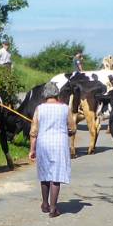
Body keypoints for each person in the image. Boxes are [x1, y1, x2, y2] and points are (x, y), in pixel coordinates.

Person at [28, 84, 76, 217]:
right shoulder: (65, 109)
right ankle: (53, 208)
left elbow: (33, 132)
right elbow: (72, 128)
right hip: (60, 144)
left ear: (44, 95)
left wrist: (32, 149)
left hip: (43, 143)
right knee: (56, 176)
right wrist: (68, 132)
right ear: (57, 94)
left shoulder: (39, 109)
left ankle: (45, 204)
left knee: (44, 174)